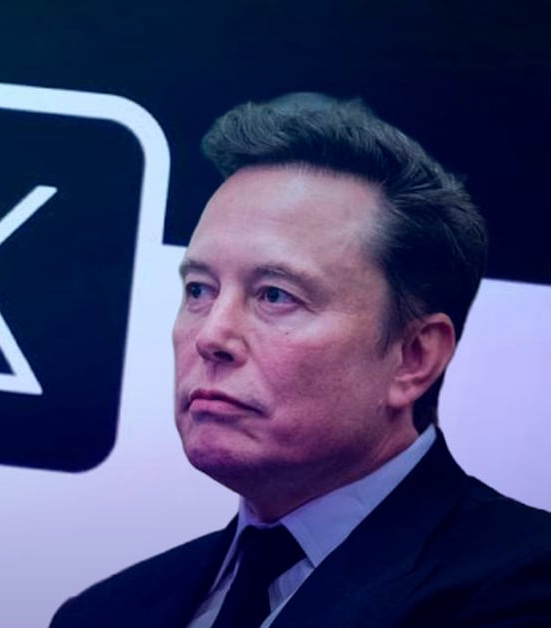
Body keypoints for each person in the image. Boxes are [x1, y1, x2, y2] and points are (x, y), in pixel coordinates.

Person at [52, 97, 551, 627]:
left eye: (275, 295)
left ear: (413, 357)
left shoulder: (523, 589)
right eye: (199, 289)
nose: (212, 336)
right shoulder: (102, 614)